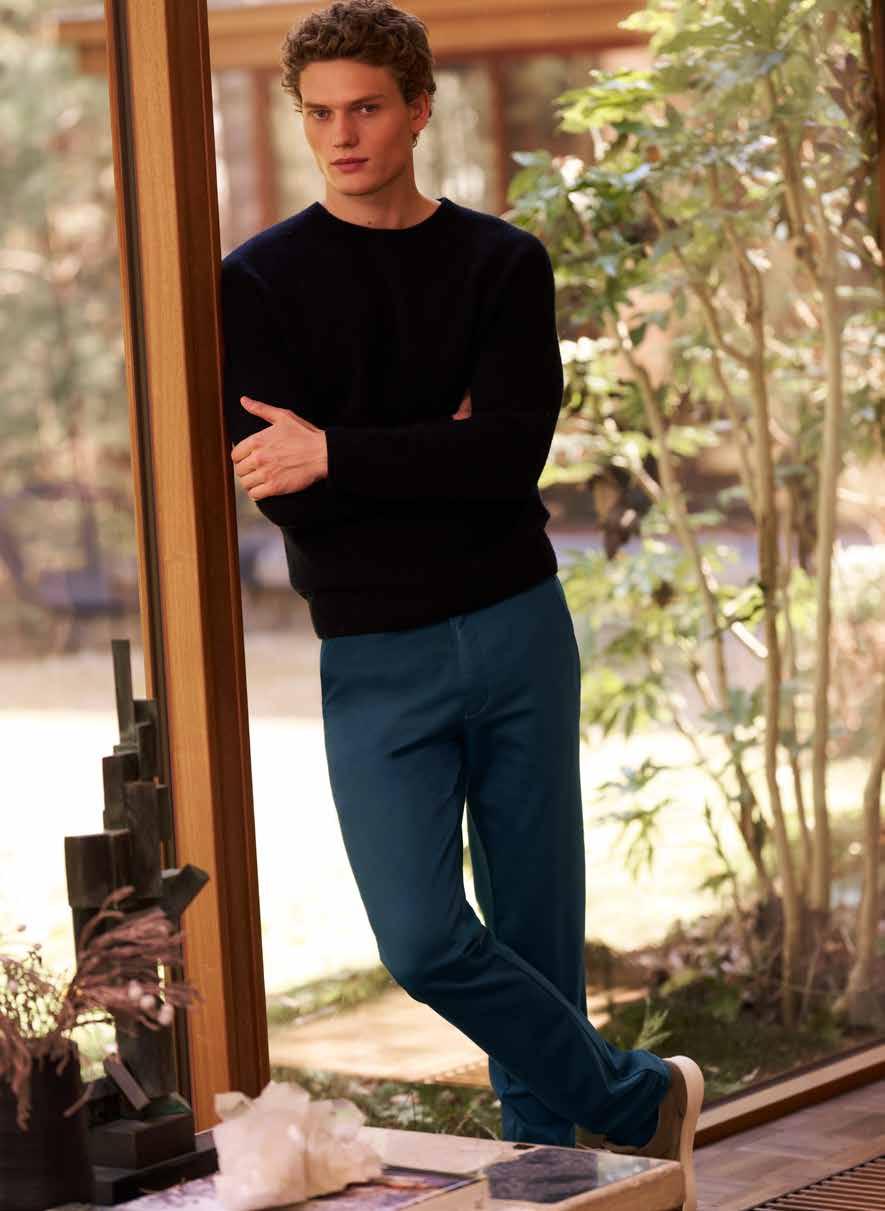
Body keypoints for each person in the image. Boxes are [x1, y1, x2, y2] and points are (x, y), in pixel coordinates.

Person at [220, 1, 703, 1205]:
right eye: (320, 113)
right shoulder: (257, 283)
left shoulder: (501, 263)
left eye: (367, 108)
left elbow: (508, 457)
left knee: (538, 924)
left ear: (420, 108)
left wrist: (342, 451)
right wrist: (424, 452)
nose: (343, 134)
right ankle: (640, 1095)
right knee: (425, 937)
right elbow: (283, 487)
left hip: (516, 623)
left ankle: (558, 1176)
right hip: (373, 650)